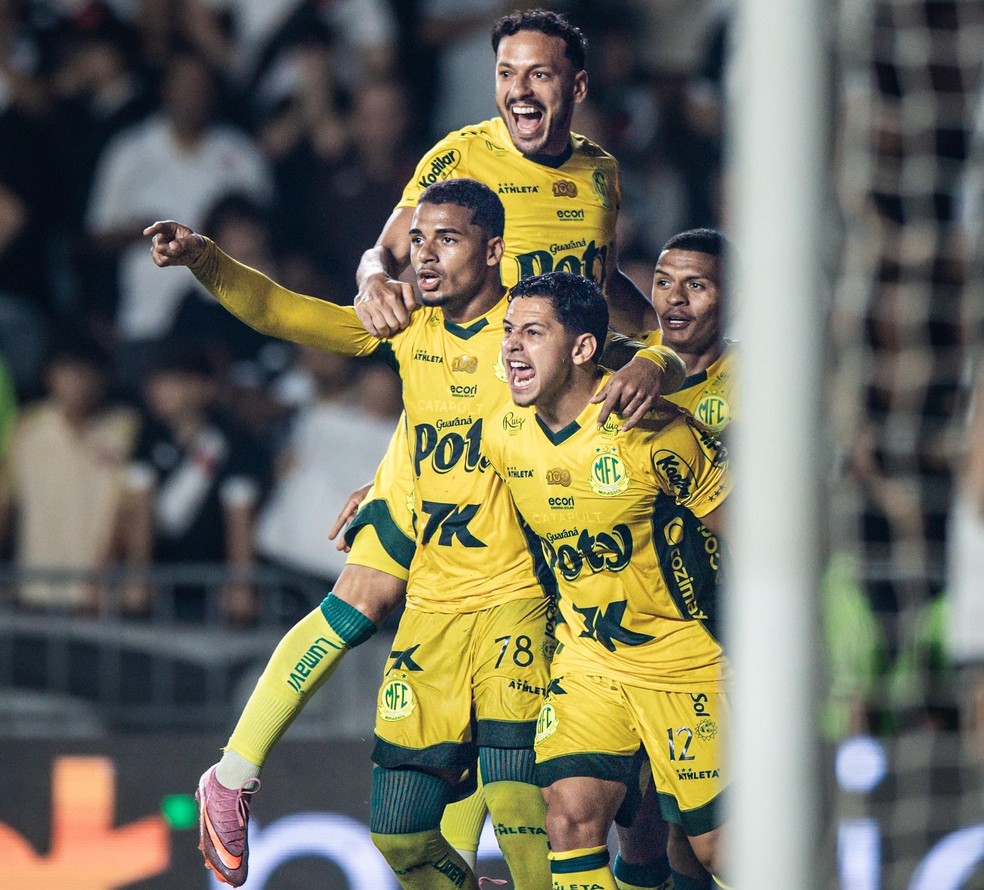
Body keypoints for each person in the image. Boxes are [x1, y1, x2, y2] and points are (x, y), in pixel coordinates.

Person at [144, 178, 676, 889]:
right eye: (418, 240)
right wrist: (205, 259)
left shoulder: (533, 333)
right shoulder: (408, 330)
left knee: (524, 800)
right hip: (432, 602)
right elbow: (282, 312)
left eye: (445, 240)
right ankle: (231, 776)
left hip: (518, 596)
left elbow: (629, 370)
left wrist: (658, 358)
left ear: (494, 251)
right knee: (399, 840)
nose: (423, 256)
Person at [480, 270, 731, 889]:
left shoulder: (657, 434)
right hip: (589, 658)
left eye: (533, 333)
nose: (512, 346)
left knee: (716, 852)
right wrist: (380, 491)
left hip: (686, 662)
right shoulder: (503, 431)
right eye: (509, 331)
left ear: (584, 348)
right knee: (568, 818)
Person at [0, 336, 139, 612]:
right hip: (33, 592)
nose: (77, 382)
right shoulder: (26, 429)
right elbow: (6, 505)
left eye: (87, 372)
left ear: (104, 378)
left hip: (99, 600)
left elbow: (133, 512)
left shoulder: (127, 428)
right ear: (49, 376)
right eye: (68, 371)